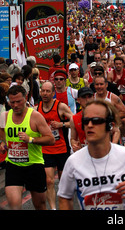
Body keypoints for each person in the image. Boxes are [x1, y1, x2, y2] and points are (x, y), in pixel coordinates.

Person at [57, 99, 125, 210]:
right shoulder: (73, 161)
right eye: (86, 121)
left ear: (110, 125)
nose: (90, 125)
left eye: (96, 120)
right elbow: (64, 197)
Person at [0, 85, 55, 210]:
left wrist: (30, 139)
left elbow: (51, 139)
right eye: (12, 102)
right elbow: (2, 134)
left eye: (18, 101)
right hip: (13, 165)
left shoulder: (35, 116)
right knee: (14, 205)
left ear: (25, 98)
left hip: (34, 165)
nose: (15, 105)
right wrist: (2, 144)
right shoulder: (4, 116)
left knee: (40, 204)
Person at [37, 81, 74, 210]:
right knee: (49, 181)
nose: (45, 94)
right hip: (46, 149)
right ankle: (53, 208)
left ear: (53, 93)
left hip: (62, 148)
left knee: (64, 182)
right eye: (43, 91)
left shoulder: (60, 106)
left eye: (48, 91)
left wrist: (61, 125)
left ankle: (65, 205)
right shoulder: (37, 108)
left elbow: (74, 121)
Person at [93, 74, 125, 144]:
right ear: (94, 86)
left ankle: (124, 140)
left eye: (101, 84)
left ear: (106, 85)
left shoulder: (113, 97)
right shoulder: (91, 98)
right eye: (97, 84)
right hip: (97, 132)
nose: (99, 87)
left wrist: (111, 117)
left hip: (112, 132)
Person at [70, 86, 94, 152]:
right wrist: (74, 145)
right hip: (83, 152)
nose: (87, 100)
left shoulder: (102, 114)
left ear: (93, 97)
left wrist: (112, 147)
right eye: (84, 97)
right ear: (78, 100)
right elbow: (73, 139)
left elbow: (116, 131)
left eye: (89, 96)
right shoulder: (74, 118)